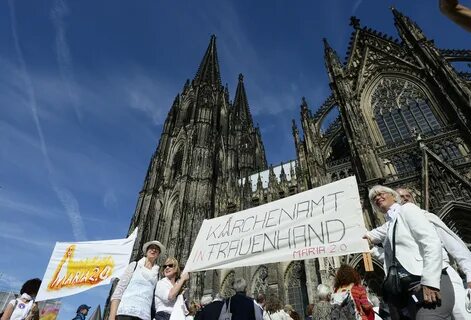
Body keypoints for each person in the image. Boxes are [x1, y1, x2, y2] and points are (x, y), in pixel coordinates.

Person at [365, 185, 454, 319]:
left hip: (427, 281)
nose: (378, 198)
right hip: (408, 289)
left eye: (381, 194)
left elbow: (431, 242)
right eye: (373, 198)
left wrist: (430, 281)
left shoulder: (408, 210)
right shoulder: (389, 224)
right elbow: (369, 236)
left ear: (394, 196)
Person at [396, 188, 471, 320]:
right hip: (419, 283)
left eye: (408, 195)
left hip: (444, 273)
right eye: (401, 197)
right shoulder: (394, 228)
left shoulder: (427, 217)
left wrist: (470, 275)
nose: (406, 198)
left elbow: (456, 247)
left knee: (461, 315)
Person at [109, 240, 164, 320]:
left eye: (156, 249)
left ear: (158, 254)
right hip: (125, 312)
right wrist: (112, 316)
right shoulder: (134, 265)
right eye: (151, 248)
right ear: (146, 251)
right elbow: (119, 291)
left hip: (144, 315)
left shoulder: (157, 274)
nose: (153, 250)